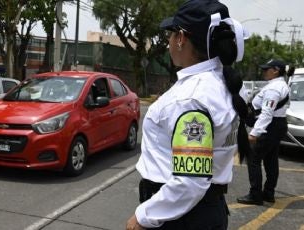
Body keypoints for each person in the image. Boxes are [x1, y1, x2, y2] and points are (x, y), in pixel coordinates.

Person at [125, 1, 250, 229]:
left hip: (180, 217)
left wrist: (144, 216)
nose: (169, 42)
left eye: (170, 35)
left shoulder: (191, 98)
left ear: (181, 38)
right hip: (205, 210)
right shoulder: (226, 83)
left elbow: (190, 182)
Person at [237, 59, 291, 205]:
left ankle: (255, 195)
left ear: (276, 70)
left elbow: (267, 113)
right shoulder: (281, 85)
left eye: (266, 69)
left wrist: (255, 132)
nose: (263, 72)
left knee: (253, 159)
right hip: (277, 124)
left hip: (270, 126)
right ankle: (269, 193)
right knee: (271, 159)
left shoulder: (273, 89)